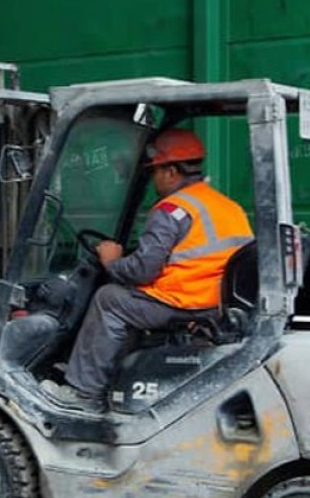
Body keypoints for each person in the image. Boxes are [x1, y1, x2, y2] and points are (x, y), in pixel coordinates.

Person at [54, 130, 254, 413]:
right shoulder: (227, 206)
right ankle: (117, 374)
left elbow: (142, 272)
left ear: (171, 171)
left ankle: (84, 393)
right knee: (129, 300)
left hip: (183, 302)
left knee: (109, 298)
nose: (154, 179)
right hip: (216, 303)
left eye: (155, 172)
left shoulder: (171, 209)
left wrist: (112, 261)